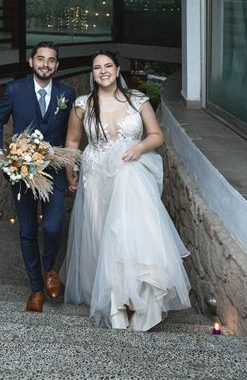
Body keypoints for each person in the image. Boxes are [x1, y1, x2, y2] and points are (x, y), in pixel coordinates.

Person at [60, 50, 191, 331]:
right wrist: (71, 172)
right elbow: (71, 141)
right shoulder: (83, 104)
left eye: (108, 66)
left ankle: (136, 300)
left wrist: (139, 147)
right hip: (95, 177)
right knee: (99, 232)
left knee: (131, 234)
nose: (103, 71)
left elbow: (156, 136)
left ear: (118, 70)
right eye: (97, 67)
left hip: (129, 174)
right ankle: (109, 297)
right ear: (92, 73)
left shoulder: (138, 100)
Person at [0, 41, 75, 313]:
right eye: (41, 59)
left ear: (57, 65)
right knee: (27, 231)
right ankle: (36, 288)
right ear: (31, 62)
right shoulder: (15, 90)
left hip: (54, 171)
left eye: (51, 60)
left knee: (53, 226)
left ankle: (50, 268)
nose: (45, 64)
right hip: (23, 173)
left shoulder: (67, 93)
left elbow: (73, 133)